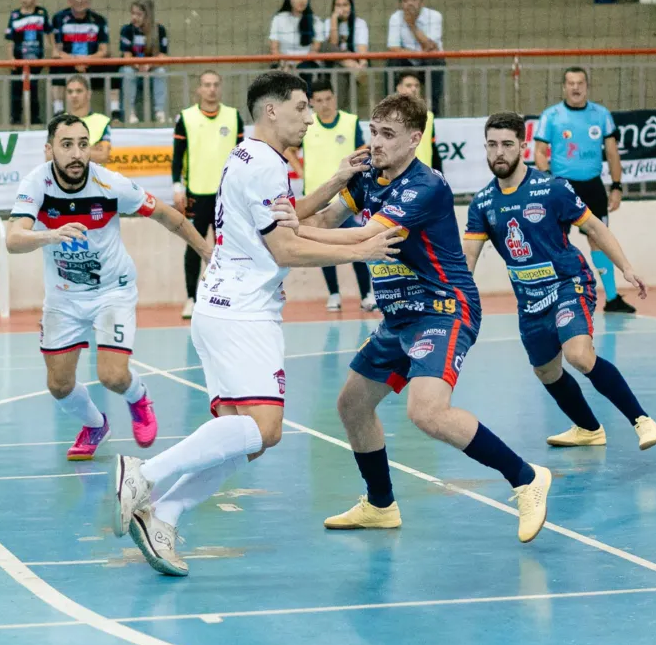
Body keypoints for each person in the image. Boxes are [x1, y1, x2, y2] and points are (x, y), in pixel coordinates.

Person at [112, 72, 403, 576]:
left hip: (224, 305)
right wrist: (363, 245)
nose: (310, 118)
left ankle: (163, 514)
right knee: (265, 430)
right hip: (244, 312)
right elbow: (287, 246)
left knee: (244, 438)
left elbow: (287, 217)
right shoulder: (267, 165)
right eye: (301, 108)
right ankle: (144, 474)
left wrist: (335, 180)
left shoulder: (250, 155)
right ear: (271, 111)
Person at [289, 93, 552, 544]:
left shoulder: (425, 186)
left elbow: (366, 235)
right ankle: (380, 504)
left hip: (442, 308)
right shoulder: (369, 176)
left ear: (415, 139)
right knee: (352, 405)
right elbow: (329, 217)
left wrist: (286, 233)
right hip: (398, 317)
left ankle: (526, 478)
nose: (376, 143)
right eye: (373, 132)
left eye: (388, 135)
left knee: (426, 411)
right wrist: (336, 178)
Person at [5, 113, 211, 462]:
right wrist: (49, 235)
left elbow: (168, 216)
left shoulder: (111, 185)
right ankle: (95, 425)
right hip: (63, 298)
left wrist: (208, 253)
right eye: (66, 145)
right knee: (59, 386)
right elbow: (13, 239)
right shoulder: (36, 184)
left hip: (111, 292)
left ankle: (139, 397)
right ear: (49, 149)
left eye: (83, 145)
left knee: (113, 376)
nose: (76, 154)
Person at [463, 112, 656, 449]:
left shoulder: (550, 188)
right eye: (492, 144)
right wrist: (453, 298)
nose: (499, 152)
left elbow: (595, 227)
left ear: (523, 147)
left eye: (507, 144)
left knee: (579, 355)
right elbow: (467, 259)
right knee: (545, 371)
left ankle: (641, 420)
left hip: (569, 283)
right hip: (529, 300)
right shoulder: (482, 203)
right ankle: (588, 429)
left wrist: (626, 268)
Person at [533, 67, 634, 313]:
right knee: (556, 242)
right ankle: (554, 297)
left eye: (580, 83)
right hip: (562, 186)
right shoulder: (551, 116)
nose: (575, 88)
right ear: (564, 87)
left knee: (599, 239)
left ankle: (611, 298)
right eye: (571, 83)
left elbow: (612, 153)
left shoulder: (601, 115)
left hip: (592, 185)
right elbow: (539, 152)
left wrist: (617, 186)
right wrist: (547, 182)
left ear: (587, 86)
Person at [293, 77, 375, 312]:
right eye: (318, 100)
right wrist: (299, 170)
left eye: (328, 98)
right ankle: (334, 294)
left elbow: (363, 149)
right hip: (316, 199)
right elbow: (289, 149)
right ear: (311, 103)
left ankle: (366, 293)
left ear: (334, 98)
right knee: (321, 247)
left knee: (356, 241)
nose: (324, 104)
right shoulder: (307, 125)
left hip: (346, 198)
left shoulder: (349, 122)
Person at [171, 70, 245, 318]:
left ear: (220, 87)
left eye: (215, 84)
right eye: (206, 85)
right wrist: (176, 187)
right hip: (196, 195)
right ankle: (192, 298)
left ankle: (229, 296)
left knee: (229, 249)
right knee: (194, 246)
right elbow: (177, 157)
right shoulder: (186, 118)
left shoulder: (234, 117)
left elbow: (242, 158)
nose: (211, 89)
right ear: (199, 89)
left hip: (227, 197)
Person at [50, 0, 119, 118]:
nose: (80, 1)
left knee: (113, 66)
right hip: (69, 62)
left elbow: (104, 50)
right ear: (70, 0)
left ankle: (115, 111)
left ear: (89, 0)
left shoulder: (98, 20)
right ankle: (58, 111)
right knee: (55, 66)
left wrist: (86, 60)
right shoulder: (59, 19)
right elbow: (56, 52)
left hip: (91, 62)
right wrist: (75, 61)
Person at [4, 0, 52, 125]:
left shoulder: (42, 13)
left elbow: (49, 34)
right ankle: (16, 118)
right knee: (16, 89)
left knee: (33, 89)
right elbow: (10, 39)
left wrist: (54, 51)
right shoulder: (15, 16)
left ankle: (35, 118)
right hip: (19, 60)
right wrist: (11, 57)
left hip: (35, 59)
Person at [120, 0, 169, 123]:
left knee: (161, 72)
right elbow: (126, 56)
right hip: (134, 69)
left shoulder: (159, 30)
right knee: (127, 72)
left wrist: (149, 65)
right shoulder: (127, 30)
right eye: (133, 13)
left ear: (148, 15)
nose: (134, 17)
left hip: (151, 70)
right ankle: (129, 113)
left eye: (139, 14)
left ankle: (160, 112)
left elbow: (162, 56)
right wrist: (138, 65)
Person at [44, 74, 111, 165]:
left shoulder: (102, 121)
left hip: (94, 178)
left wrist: (64, 150)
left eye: (79, 91)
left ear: (89, 94)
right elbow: (49, 156)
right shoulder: (58, 122)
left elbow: (103, 156)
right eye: (70, 92)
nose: (74, 95)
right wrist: (90, 150)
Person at [268, 0, 322, 84]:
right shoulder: (279, 19)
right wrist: (285, 63)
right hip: (283, 62)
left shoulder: (315, 21)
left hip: (306, 62)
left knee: (304, 71)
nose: (301, 0)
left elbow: (315, 50)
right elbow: (274, 48)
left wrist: (296, 64)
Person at [395, 70, 442, 173]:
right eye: (408, 85)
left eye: (417, 86)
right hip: (399, 175)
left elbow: (433, 148)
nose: (413, 89)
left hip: (424, 174)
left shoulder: (428, 116)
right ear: (399, 88)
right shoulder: (391, 116)